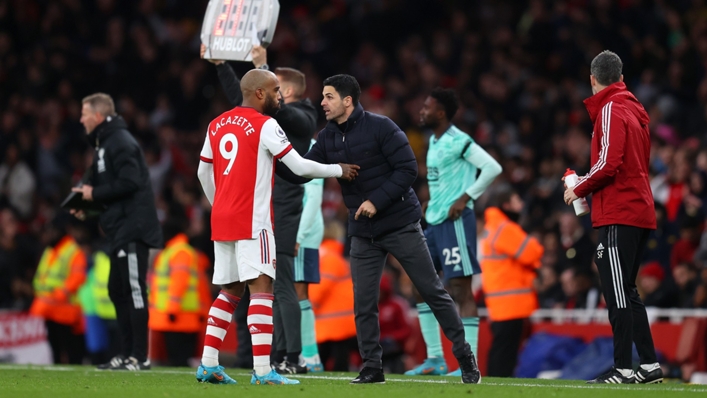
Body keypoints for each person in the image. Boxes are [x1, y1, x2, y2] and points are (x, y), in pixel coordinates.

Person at [303, 74, 480, 384]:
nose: (322, 102)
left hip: (400, 223)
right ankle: (372, 367)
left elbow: (408, 169)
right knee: (363, 302)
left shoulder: (381, 126)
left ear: (347, 100)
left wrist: (376, 201)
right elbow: (305, 169)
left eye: (328, 96)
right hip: (362, 231)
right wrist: (277, 157)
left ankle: (465, 356)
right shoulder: (327, 137)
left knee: (432, 290)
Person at [194, 69, 358, 385]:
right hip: (254, 221)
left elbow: (203, 172)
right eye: (275, 91)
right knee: (262, 289)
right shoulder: (265, 124)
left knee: (229, 291)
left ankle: (209, 363)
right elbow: (297, 164)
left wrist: (220, 204)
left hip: (223, 220)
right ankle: (263, 370)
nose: (280, 97)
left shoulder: (216, 124)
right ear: (259, 93)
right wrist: (337, 169)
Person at [202, 44, 317, 374]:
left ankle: (289, 357)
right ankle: (257, 363)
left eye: (279, 87)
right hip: (253, 211)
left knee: (280, 285)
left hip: (283, 210)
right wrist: (222, 65)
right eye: (271, 89)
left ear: (288, 90)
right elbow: (245, 97)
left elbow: (263, 105)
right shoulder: (260, 117)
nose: (276, 94)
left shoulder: (303, 114)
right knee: (246, 287)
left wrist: (261, 67)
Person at [563, 50, 662, 384]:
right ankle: (648, 365)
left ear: (593, 79)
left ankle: (622, 369)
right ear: (620, 77)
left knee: (617, 293)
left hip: (620, 213)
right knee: (628, 291)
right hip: (637, 209)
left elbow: (609, 164)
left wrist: (579, 188)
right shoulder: (635, 109)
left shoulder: (609, 109)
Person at [406, 88, 502, 376]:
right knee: (420, 286)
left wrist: (465, 197)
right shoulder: (433, 141)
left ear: (441, 112)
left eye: (427, 107)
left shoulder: (458, 140)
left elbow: (492, 167)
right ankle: (435, 359)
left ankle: (467, 364)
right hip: (435, 222)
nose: (422, 111)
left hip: (457, 222)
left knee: (461, 290)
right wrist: (432, 202)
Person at [71, 92, 163, 370]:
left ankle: (139, 356)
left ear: (98, 116)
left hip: (133, 229)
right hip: (119, 230)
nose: (81, 119)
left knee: (134, 290)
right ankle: (126, 354)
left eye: (85, 113)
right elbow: (113, 191)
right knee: (117, 290)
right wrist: (87, 204)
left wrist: (94, 193)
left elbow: (131, 182)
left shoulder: (120, 142)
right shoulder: (104, 145)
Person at [480, 187, 544, 377]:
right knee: (505, 352)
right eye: (517, 200)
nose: (522, 204)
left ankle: (493, 385)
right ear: (506, 205)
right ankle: (497, 386)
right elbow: (532, 252)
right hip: (510, 302)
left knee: (502, 349)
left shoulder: (494, 227)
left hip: (502, 301)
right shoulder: (504, 228)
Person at [148, 215, 207, 367]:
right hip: (177, 316)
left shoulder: (179, 252)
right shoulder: (175, 251)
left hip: (178, 316)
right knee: (177, 360)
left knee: (179, 360)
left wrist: (172, 309)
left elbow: (179, 282)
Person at [29, 215, 87, 364]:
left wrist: (60, 294)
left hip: (65, 310)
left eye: (52, 231)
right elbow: (41, 277)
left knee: (71, 350)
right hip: (48, 308)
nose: (49, 234)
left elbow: (78, 277)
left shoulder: (73, 251)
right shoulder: (50, 250)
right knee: (54, 349)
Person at [309, 221, 357, 372]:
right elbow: (320, 287)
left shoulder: (323, 255)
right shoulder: (331, 257)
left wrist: (309, 310)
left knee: (327, 360)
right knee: (338, 363)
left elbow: (318, 288)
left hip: (328, 320)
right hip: (337, 321)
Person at [295, 139, 326, 372]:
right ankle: (306, 353)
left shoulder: (311, 146)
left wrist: (298, 236)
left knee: (298, 292)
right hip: (296, 232)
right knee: (293, 293)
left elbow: (313, 199)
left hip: (302, 234)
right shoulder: (284, 140)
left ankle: (309, 354)